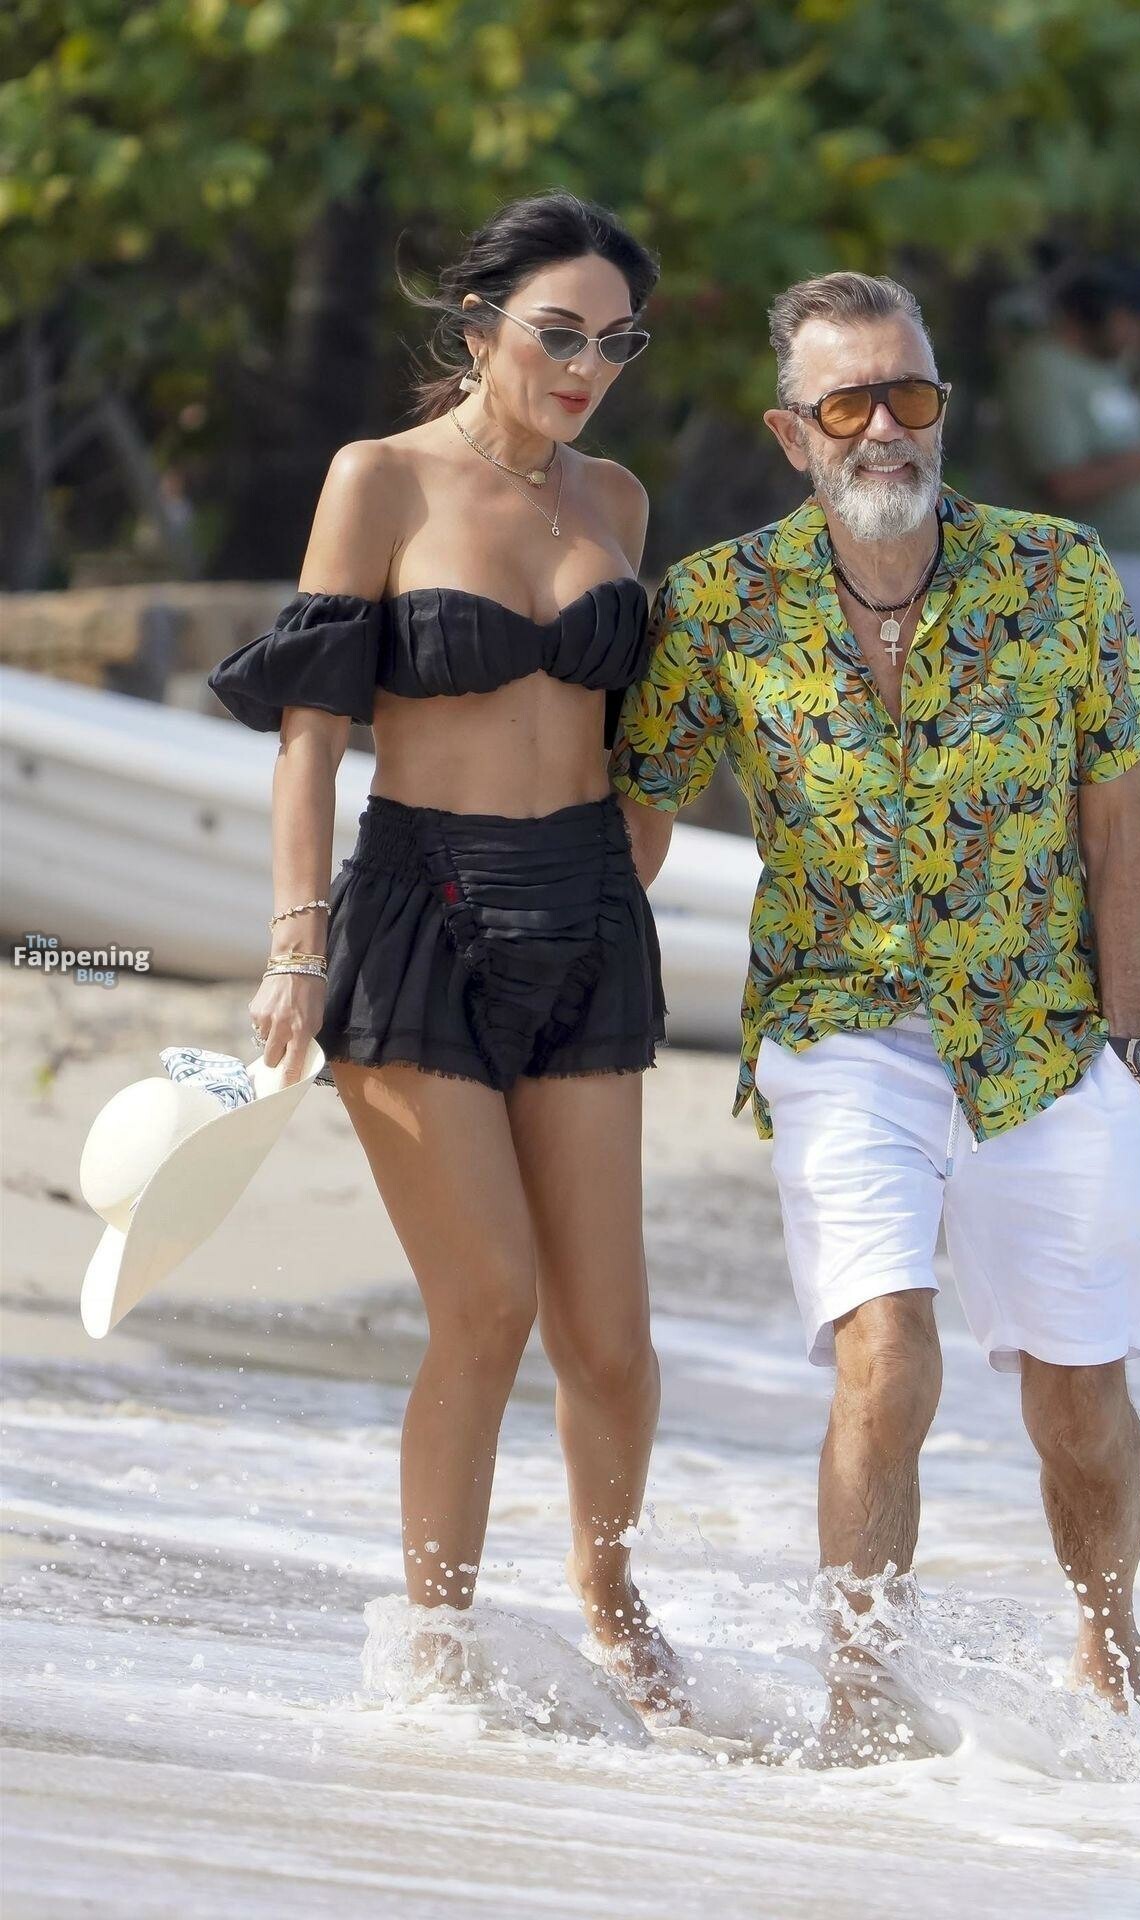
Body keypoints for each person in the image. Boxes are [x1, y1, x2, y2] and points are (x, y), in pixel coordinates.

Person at [610, 269, 1140, 1760]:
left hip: (1047, 1037)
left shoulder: (1060, 575)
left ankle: (1110, 1651)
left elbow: (1121, 830)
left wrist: (1125, 1047)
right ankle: (862, 1700)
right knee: (884, 1360)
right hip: (836, 1034)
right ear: (790, 434)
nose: (884, 427)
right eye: (847, 405)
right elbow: (631, 826)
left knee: (1079, 1403)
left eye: (910, 394)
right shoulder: (718, 605)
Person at [206, 191, 683, 1719]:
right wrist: (296, 946)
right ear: (479, 329)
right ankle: (436, 1649)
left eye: (616, 344)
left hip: (589, 923)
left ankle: (612, 1609)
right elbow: (309, 737)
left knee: (612, 1345)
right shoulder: (382, 479)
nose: (587, 368)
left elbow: (641, 731)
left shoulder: (618, 499)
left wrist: (640, 846)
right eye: (559, 334)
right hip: (424, 915)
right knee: (487, 1306)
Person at [1003, 255, 1140, 861]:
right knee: (1138, 720)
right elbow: (1061, 480)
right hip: (1109, 567)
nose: (1138, 332)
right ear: (1096, 311)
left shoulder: (1107, 374)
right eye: (1130, 316)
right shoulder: (1042, 371)